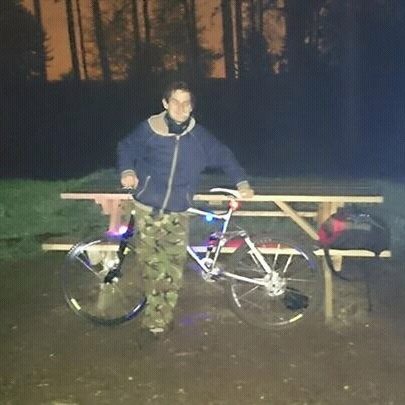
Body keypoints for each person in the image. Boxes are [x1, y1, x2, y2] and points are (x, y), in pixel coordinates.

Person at [117, 81, 254, 337]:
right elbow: (126, 147)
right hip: (147, 208)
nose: (181, 108)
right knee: (151, 267)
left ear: (191, 107)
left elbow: (224, 155)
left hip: (178, 213)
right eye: (175, 102)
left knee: (171, 270)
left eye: (186, 103)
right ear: (165, 104)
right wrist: (127, 171)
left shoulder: (199, 138)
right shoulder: (149, 129)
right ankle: (156, 320)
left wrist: (242, 182)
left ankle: (159, 320)